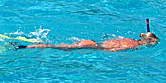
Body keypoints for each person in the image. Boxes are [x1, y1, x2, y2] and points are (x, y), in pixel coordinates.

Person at [16, 32, 158, 52]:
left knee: (61, 46)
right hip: (93, 46)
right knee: (63, 48)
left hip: (94, 42)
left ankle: (33, 42)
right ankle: (27, 46)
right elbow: (114, 50)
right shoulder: (132, 45)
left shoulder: (130, 39)